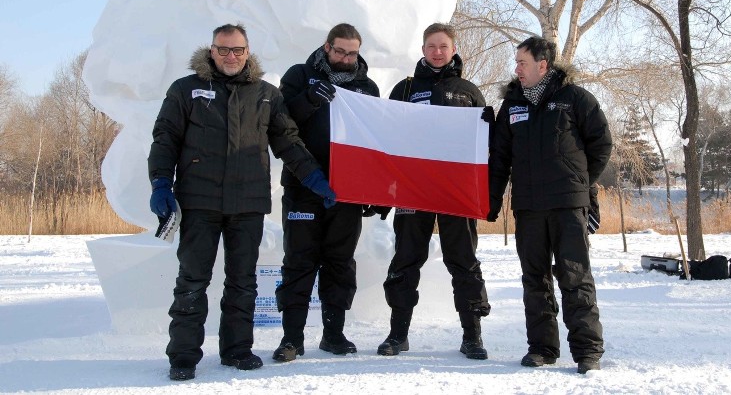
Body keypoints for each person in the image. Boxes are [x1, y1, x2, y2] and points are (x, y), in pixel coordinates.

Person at [148, 23, 335, 381]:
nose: (230, 56)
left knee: (243, 281)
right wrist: (160, 183)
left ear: (248, 52)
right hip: (200, 202)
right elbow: (165, 138)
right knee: (192, 280)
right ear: (211, 50)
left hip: (247, 204)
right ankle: (183, 356)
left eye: (237, 50)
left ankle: (237, 349)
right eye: (223, 49)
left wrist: (315, 180)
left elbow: (288, 142)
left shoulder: (266, 94)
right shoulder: (186, 90)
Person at [488, 36, 612, 374]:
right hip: (528, 207)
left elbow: (601, 144)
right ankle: (542, 348)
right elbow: (499, 158)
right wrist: (492, 199)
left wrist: (581, 184)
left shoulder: (575, 98)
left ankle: (587, 352)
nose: (517, 69)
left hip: (568, 206)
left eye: (522, 63)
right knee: (535, 279)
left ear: (543, 65)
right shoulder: (512, 105)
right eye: (516, 62)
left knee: (574, 276)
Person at [378, 23, 491, 360]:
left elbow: (484, 147)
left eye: (443, 46)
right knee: (405, 260)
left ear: (453, 49)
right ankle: (398, 334)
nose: (437, 52)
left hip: (456, 193)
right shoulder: (405, 89)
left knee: (464, 261)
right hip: (413, 191)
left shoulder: (469, 91)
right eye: (431, 46)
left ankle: (472, 336)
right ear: (423, 49)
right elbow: (386, 137)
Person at [273, 23, 381, 362]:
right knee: (299, 262)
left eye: (352, 53)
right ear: (326, 47)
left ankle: (333, 334)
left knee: (339, 263)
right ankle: (292, 339)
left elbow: (375, 140)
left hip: (347, 193)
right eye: (340, 51)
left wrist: (374, 188)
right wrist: (308, 99)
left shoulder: (368, 87)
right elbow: (279, 124)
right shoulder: (298, 75)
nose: (346, 58)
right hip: (303, 187)